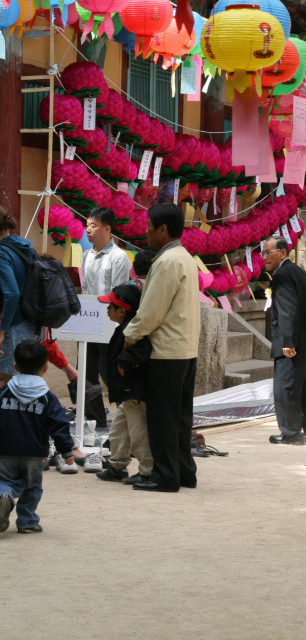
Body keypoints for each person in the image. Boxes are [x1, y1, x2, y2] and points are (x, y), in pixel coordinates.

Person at [123, 203, 201, 492]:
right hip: (185, 349)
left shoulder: (166, 261)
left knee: (163, 418)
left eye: (149, 226)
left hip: (166, 351)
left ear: (163, 230)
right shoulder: (185, 258)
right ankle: (183, 472)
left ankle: (166, 476)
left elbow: (150, 312)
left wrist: (128, 337)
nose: (145, 231)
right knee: (180, 416)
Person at [0, 340, 75, 534]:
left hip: (5, 450)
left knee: (4, 480)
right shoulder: (47, 397)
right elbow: (59, 424)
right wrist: (66, 450)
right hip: (34, 453)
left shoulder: (4, 393)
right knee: (32, 487)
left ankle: (4, 494)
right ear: (45, 368)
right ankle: (27, 521)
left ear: (15, 366)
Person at [265, 236, 306, 445]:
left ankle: (291, 432)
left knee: (286, 387)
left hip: (290, 341)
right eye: (263, 252)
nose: (264, 257)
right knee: (303, 385)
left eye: (268, 252)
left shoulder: (282, 275)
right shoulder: (299, 271)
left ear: (282, 253)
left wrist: (289, 341)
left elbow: (288, 310)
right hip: (305, 340)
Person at [95, 283, 153, 484]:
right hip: (126, 393)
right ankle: (117, 465)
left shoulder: (132, 329)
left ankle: (147, 471)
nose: (107, 310)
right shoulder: (125, 327)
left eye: (110, 306)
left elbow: (143, 350)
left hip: (134, 392)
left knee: (138, 434)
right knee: (119, 431)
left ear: (122, 310)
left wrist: (124, 361)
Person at [80, 206, 133, 426]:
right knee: (86, 373)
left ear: (108, 229)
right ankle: (94, 421)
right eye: (87, 225)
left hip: (109, 325)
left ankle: (127, 417)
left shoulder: (119, 257)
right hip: (87, 323)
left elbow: (118, 294)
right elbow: (85, 290)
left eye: (93, 225)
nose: (88, 230)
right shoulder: (86, 256)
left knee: (110, 373)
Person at [0, 207, 43, 389]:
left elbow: (12, 294)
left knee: (7, 379)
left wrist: (2, 331)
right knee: (24, 379)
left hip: (15, 324)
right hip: (35, 322)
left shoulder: (2, 252)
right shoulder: (24, 245)